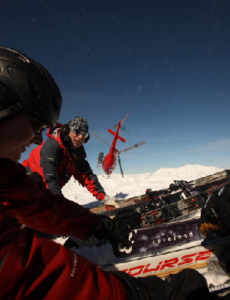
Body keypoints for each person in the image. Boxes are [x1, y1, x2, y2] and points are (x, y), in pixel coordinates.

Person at [0, 46, 212, 300]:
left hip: (39, 195)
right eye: (35, 125)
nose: (36, 138)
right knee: (33, 191)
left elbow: (66, 190)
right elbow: (24, 273)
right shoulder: (51, 148)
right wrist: (129, 293)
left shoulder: (71, 155)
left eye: (86, 136)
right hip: (39, 182)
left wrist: (97, 221)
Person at [22, 115, 119, 208]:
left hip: (42, 192)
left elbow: (87, 177)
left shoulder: (77, 156)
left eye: (84, 134)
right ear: (67, 130)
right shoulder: (52, 147)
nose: (80, 137)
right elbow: (50, 180)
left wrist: (104, 198)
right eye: (77, 131)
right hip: (22, 182)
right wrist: (58, 207)